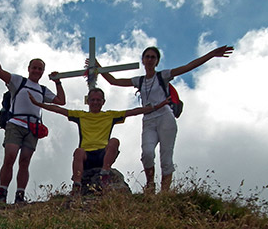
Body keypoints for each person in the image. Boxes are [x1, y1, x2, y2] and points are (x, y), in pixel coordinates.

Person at [97, 45, 234, 192]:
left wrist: (212, 54)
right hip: (148, 119)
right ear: (143, 60)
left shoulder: (163, 75)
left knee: (166, 158)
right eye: (147, 57)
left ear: (157, 61)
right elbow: (113, 81)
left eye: (153, 57)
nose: (150, 60)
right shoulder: (140, 81)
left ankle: (165, 192)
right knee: (147, 154)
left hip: (165, 117)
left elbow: (189, 66)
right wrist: (96, 65)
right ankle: (150, 185)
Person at [28, 87, 170, 195]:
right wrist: (38, 103)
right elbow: (58, 109)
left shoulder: (110, 115)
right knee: (78, 151)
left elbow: (134, 111)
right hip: (86, 156)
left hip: (103, 155)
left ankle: (105, 174)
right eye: (93, 100)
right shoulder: (80, 115)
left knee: (114, 141)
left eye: (98, 100)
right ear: (88, 101)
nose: (95, 102)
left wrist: (157, 106)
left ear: (103, 102)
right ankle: (77, 185)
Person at [0, 31, 66, 204]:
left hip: (33, 128)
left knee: (25, 161)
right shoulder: (18, 81)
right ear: (29, 69)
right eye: (34, 67)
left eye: (40, 69)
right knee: (10, 157)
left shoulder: (43, 90)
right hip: (15, 123)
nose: (37, 71)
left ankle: (19, 195)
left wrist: (58, 82)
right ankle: (2, 194)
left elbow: (61, 101)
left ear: (43, 71)